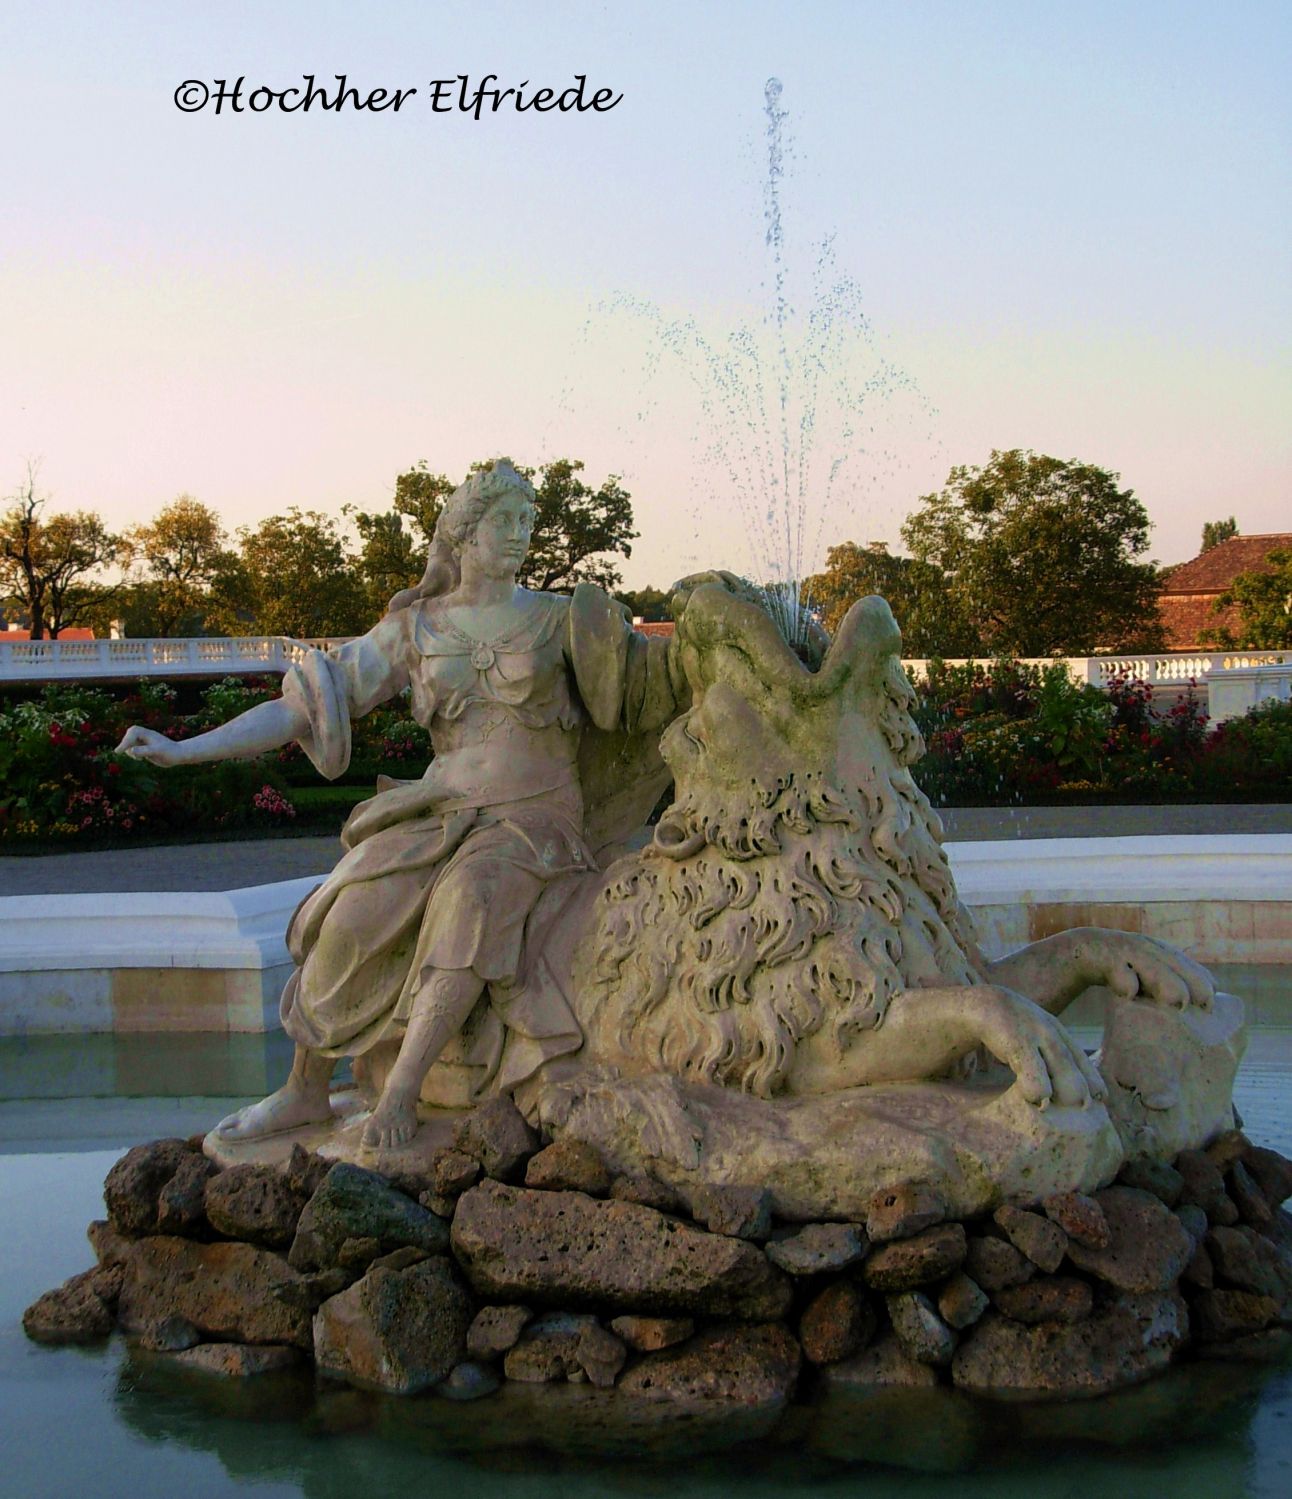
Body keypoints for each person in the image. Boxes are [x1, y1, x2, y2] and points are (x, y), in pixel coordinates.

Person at [118, 460, 685, 1150]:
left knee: (472, 899)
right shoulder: (416, 630)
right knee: (347, 906)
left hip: (536, 815)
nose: (520, 534)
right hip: (441, 808)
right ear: (464, 535)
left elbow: (646, 685)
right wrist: (183, 749)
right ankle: (304, 1089)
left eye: (528, 522)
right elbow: (300, 708)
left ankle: (400, 1091)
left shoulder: (561, 619)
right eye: (504, 520)